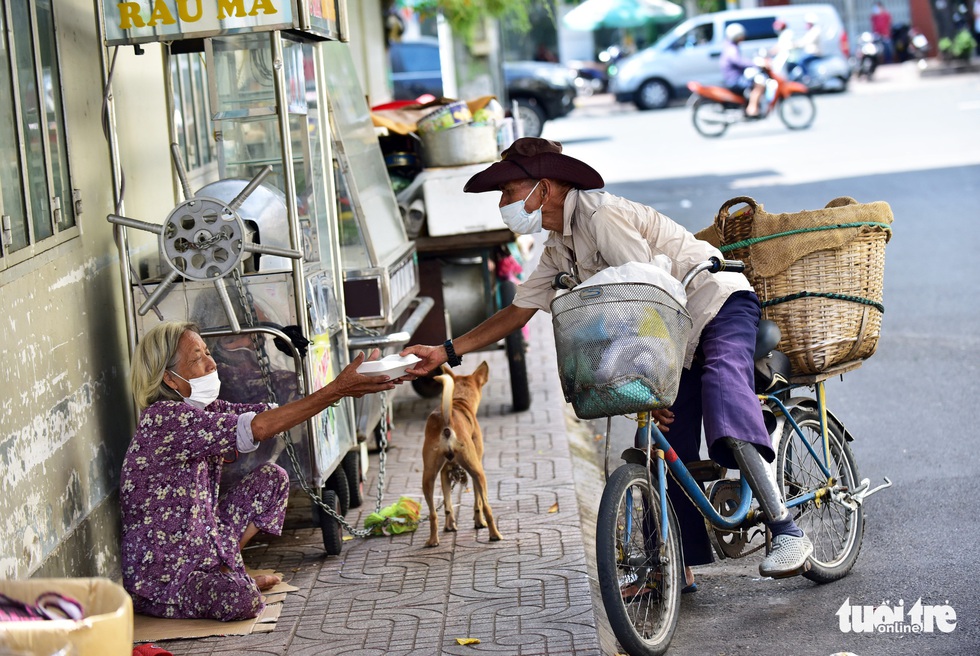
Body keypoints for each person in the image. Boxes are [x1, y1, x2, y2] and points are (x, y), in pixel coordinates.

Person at [401, 137, 815, 589]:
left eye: (509, 191)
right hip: (672, 332)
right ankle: (675, 565)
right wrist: (445, 352)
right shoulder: (560, 246)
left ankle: (785, 529)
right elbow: (517, 312)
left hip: (716, 306)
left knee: (720, 388)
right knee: (662, 441)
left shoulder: (602, 215)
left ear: (546, 187)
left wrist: (659, 372)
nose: (503, 204)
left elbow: (647, 293)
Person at [120, 321, 398, 621]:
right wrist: (337, 390)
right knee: (244, 600)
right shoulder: (165, 420)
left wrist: (341, 389)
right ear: (170, 380)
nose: (212, 363)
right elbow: (260, 427)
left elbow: (267, 415)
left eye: (206, 353)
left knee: (273, 479)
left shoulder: (203, 410)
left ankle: (225, 568)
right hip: (165, 573)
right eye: (197, 358)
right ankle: (222, 581)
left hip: (202, 545)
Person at [720, 23, 764, 117]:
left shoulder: (729, 46)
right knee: (759, 85)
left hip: (733, 77)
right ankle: (752, 109)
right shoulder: (732, 49)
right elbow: (738, 61)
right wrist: (754, 64)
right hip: (734, 79)